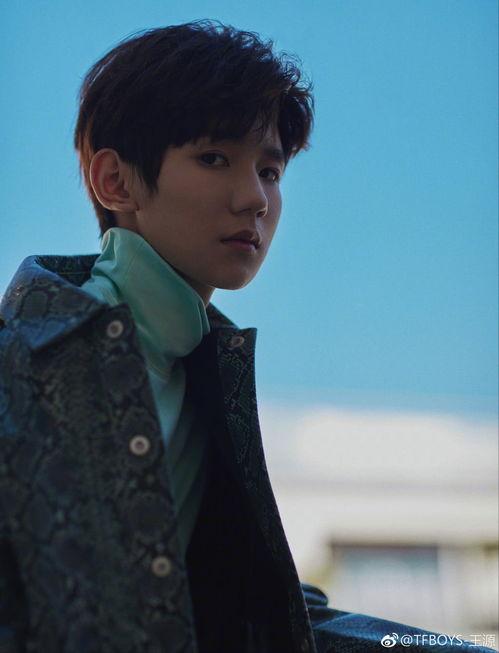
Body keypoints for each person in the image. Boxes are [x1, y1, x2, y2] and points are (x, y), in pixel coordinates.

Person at [0, 19, 494, 653]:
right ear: (115, 181)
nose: (255, 198)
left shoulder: (207, 370)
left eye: (271, 170)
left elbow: (267, 612)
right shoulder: (22, 360)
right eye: (214, 159)